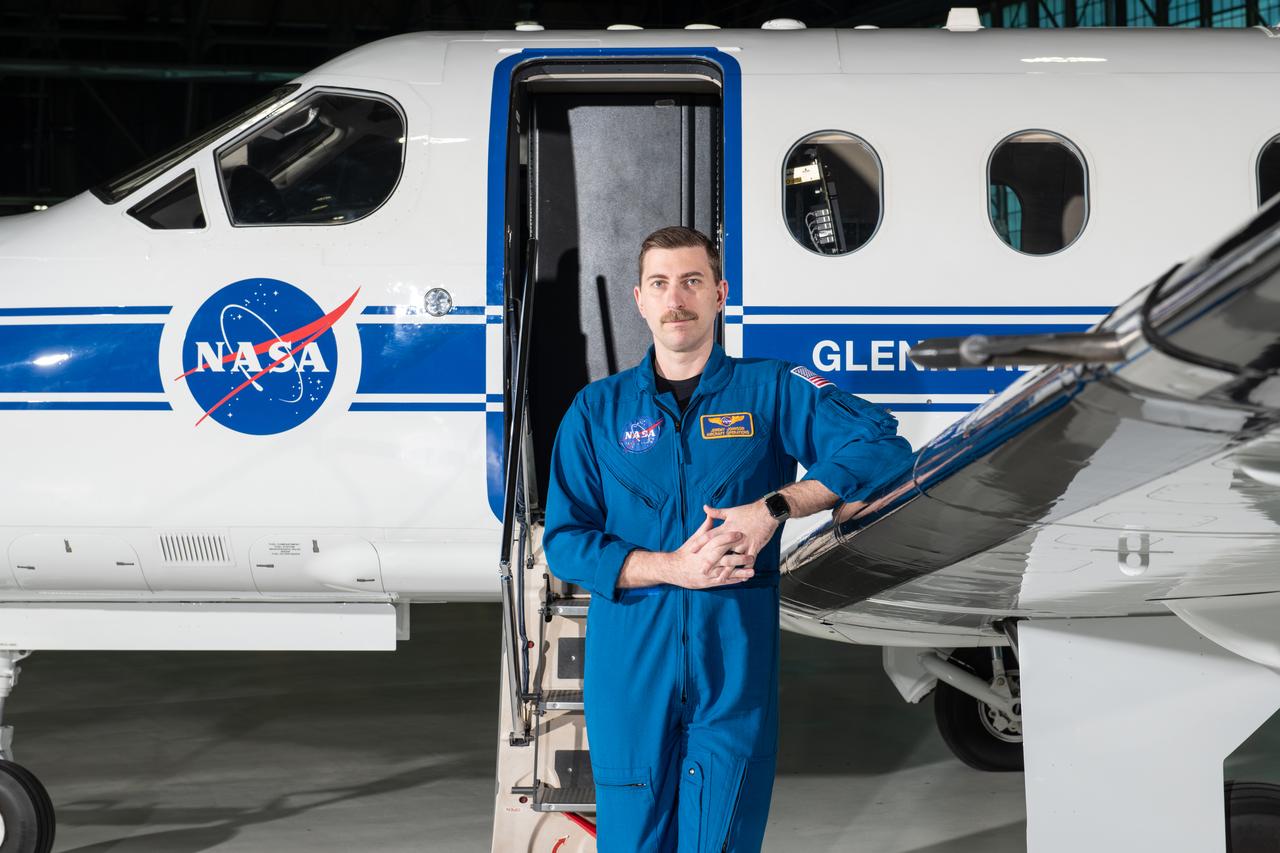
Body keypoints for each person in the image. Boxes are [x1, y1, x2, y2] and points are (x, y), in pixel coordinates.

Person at [543, 226, 912, 852]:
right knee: (632, 842)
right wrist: (668, 567)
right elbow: (566, 541)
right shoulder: (595, 411)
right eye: (660, 284)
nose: (675, 299)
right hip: (631, 664)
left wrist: (777, 507)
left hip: (733, 661)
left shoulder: (768, 388)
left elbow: (880, 446)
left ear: (720, 293)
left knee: (721, 840)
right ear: (639, 299)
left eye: (691, 282)